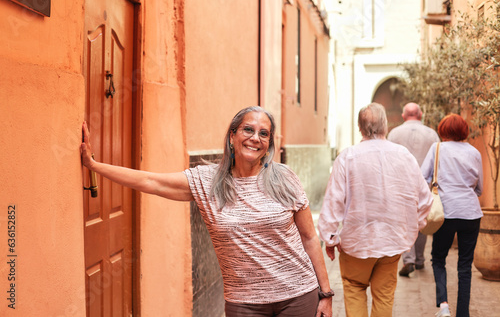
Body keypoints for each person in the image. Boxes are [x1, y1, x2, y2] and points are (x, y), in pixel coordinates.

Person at [81, 106, 333, 317]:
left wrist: (326, 294)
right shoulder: (207, 182)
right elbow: (152, 182)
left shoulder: (285, 178)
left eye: (264, 133)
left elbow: (309, 237)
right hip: (244, 304)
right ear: (232, 136)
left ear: (268, 144)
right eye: (248, 129)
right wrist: (94, 165)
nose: (255, 137)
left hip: (298, 296)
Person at [317, 102, 433, 317]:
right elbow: (425, 199)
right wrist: (411, 230)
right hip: (392, 242)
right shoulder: (404, 155)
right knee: (384, 296)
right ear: (385, 126)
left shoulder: (347, 157)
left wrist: (330, 238)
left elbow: (333, 201)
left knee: (354, 289)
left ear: (359, 128)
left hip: (356, 243)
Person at [420, 113, 483, 317]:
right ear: (464, 131)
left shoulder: (437, 148)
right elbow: (479, 188)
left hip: (445, 212)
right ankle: (463, 314)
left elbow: (423, 178)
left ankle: (444, 306)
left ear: (443, 131)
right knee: (465, 265)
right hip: (471, 213)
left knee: (438, 258)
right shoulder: (474, 152)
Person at [387, 102, 440, 277]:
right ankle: (419, 259)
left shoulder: (394, 134)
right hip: (424, 184)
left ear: (403, 116)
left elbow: (388, 160)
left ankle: (408, 259)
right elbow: (438, 161)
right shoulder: (431, 134)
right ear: (420, 114)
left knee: (404, 221)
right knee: (421, 220)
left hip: (401, 184)